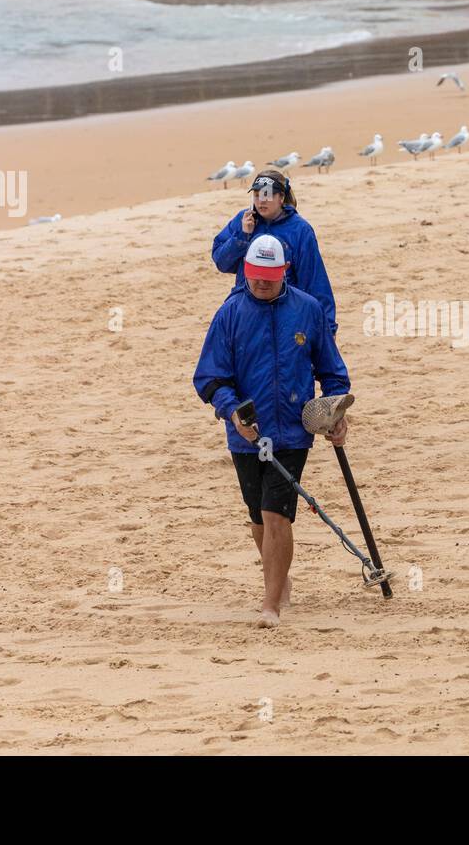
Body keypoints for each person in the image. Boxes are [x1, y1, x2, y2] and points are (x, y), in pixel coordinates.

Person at [193, 234, 350, 628]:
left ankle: (270, 605)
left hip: (293, 432)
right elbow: (209, 378)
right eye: (255, 275)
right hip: (246, 435)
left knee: (277, 514)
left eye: (270, 276)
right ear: (246, 271)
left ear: (284, 271)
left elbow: (331, 370)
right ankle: (279, 579)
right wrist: (232, 414)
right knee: (258, 519)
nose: (262, 283)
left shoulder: (308, 310)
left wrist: (336, 411)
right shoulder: (229, 314)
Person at [210, 170, 338, 335]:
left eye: (267, 195)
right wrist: (242, 236)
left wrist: (328, 329)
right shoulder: (244, 220)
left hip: (286, 312)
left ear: (281, 198)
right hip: (247, 311)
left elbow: (314, 279)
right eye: (257, 195)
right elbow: (222, 263)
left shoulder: (300, 229)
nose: (261, 201)